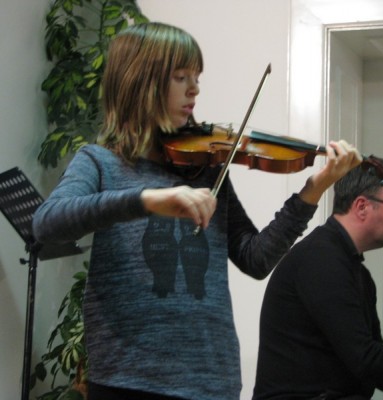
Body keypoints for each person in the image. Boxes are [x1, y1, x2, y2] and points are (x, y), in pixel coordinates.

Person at [32, 22, 362, 400]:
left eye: (197, 78)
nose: (195, 89)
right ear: (141, 82)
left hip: (211, 377)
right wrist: (146, 200)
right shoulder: (100, 162)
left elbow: (255, 258)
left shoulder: (206, 168)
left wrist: (314, 188)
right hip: (128, 376)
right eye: (181, 77)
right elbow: (47, 223)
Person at [252, 156, 383, 400]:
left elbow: (376, 367)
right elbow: (368, 361)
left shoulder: (353, 269)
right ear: (362, 206)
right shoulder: (320, 260)